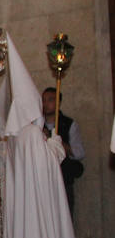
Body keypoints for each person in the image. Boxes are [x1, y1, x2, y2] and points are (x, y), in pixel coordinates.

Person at [0, 34, 86, 238]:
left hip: (26, 204)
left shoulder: (17, 135)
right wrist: (56, 146)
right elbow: (47, 164)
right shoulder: (33, 134)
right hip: (40, 204)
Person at [41, 87, 85, 215]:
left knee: (65, 219)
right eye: (43, 100)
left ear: (58, 103)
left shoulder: (69, 124)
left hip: (63, 180)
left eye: (50, 100)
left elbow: (79, 152)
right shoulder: (35, 125)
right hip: (43, 181)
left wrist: (54, 140)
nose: (46, 104)